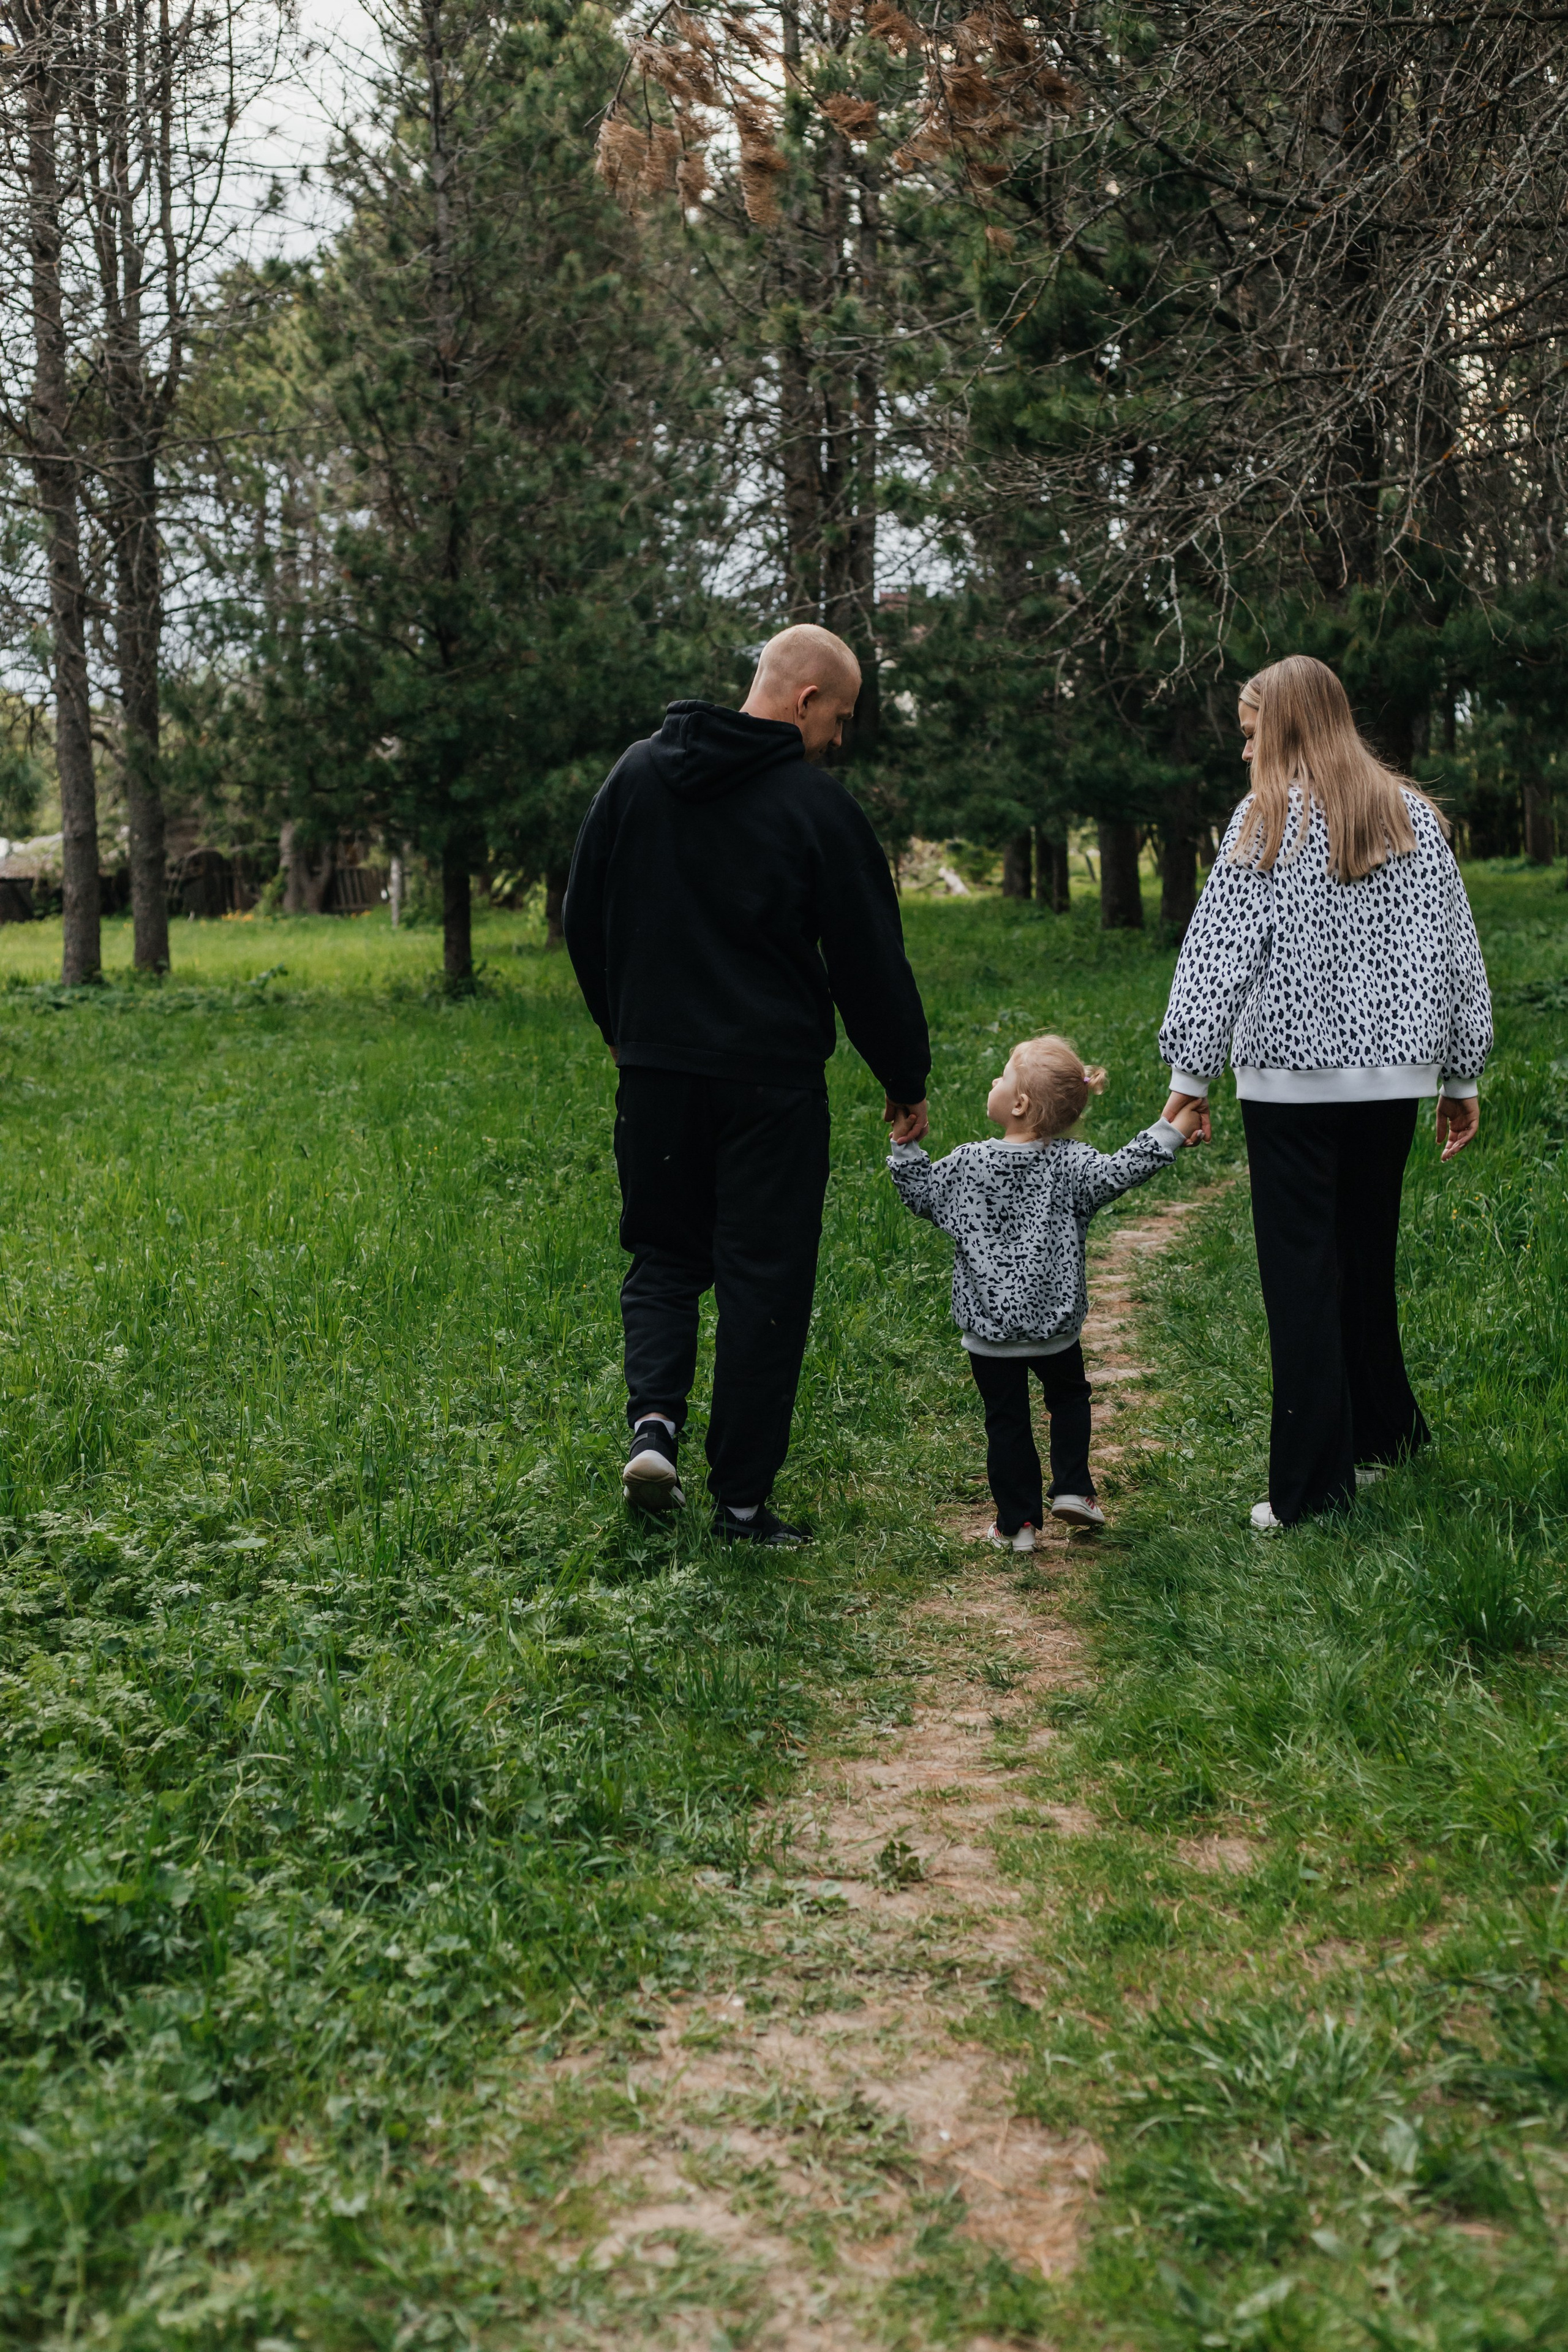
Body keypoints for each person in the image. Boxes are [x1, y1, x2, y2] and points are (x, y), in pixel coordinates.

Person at [564, 624, 931, 1547]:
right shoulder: (816, 808)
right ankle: (738, 1504)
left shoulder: (638, 775)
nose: (840, 740)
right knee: (765, 1280)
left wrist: (624, 1031)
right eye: (840, 719)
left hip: (657, 1076)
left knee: (662, 1256)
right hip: (771, 1087)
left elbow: (583, 913)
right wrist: (904, 1076)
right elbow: (868, 959)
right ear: (806, 701)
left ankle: (655, 1428)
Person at [1158, 654, 1492, 1530]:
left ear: (1288, 727)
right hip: (1395, 1083)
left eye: (1250, 734)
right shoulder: (1412, 815)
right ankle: (1384, 1440)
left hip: (1291, 1086)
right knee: (1363, 1259)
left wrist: (1187, 1081)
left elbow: (1215, 957)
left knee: (1303, 1278)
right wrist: (1460, 1075)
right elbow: (1458, 954)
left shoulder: (1265, 820)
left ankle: (1311, 1491)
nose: (1244, 754)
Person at [888, 1034, 1201, 1551]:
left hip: (989, 1333)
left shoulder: (967, 1164)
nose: (993, 1081)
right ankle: (1074, 1488)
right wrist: (1171, 1131)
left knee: (1006, 1422)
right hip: (1055, 1328)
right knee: (1070, 1398)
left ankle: (1019, 1525)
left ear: (1019, 1104)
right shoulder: (1072, 1165)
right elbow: (1123, 1169)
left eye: (1001, 1076)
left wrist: (907, 1145)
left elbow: (920, 1194)